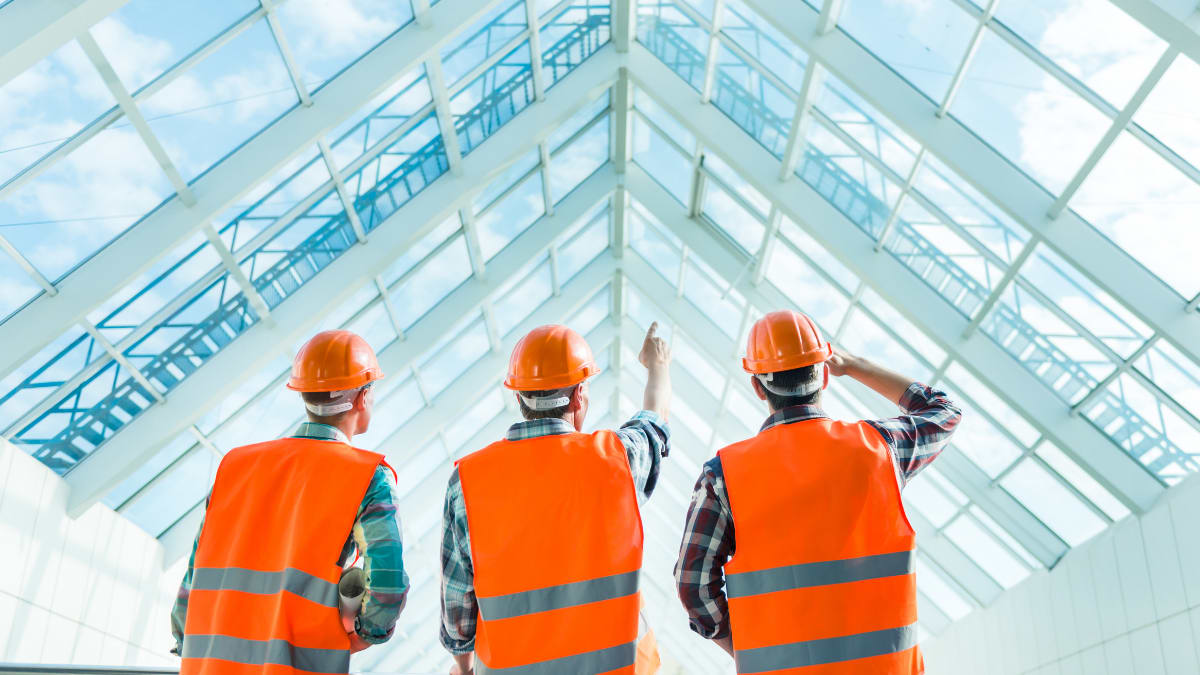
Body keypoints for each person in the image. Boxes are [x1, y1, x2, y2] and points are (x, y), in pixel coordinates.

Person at [674, 310, 962, 674]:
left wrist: (746, 648)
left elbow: (693, 586)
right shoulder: (880, 448)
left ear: (758, 386)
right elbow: (943, 411)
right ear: (824, 375)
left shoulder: (723, 476)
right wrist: (855, 365)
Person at [440, 322, 673, 675]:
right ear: (580, 395)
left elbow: (457, 607)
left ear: (518, 398)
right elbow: (654, 425)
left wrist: (464, 665)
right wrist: (658, 365)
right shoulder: (617, 459)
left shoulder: (467, 481)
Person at [171, 330, 409, 673]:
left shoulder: (234, 466)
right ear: (362, 398)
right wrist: (361, 635)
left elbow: (194, 579)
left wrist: (187, 641)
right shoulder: (368, 476)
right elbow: (387, 583)